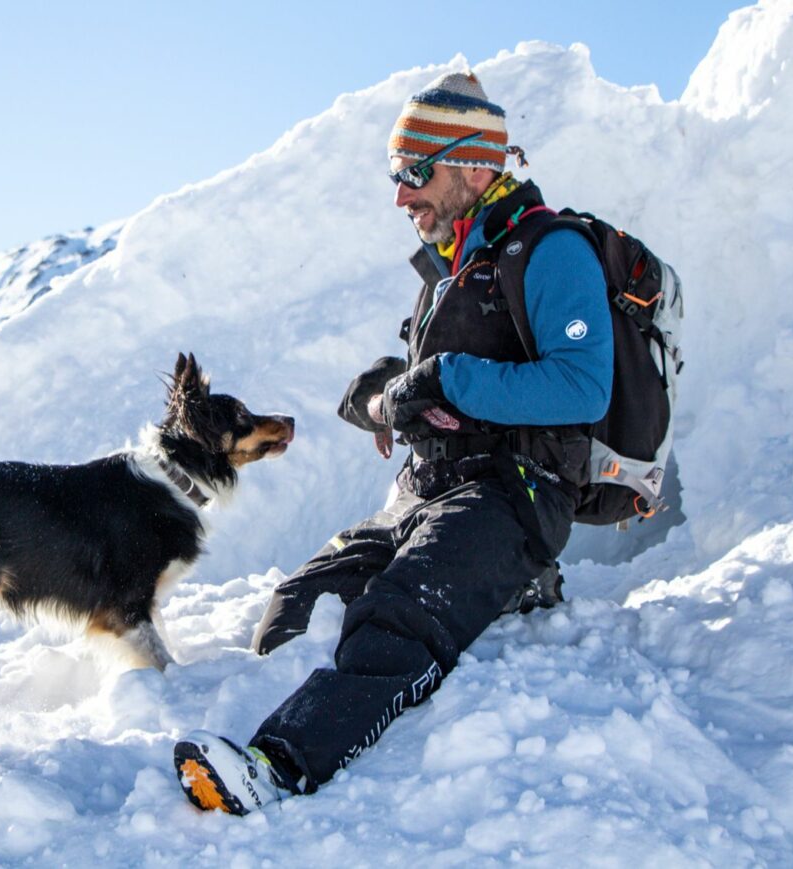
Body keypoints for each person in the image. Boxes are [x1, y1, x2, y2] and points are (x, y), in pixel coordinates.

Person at [173, 71, 614, 815]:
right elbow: (428, 384)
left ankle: (275, 765)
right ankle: (497, 592)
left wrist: (446, 379)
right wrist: (388, 397)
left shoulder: (551, 250)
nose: (401, 195)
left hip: (512, 493)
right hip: (424, 492)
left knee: (397, 613)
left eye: (415, 173)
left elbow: (582, 387)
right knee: (296, 608)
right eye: (396, 175)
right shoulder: (451, 270)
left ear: (476, 164)